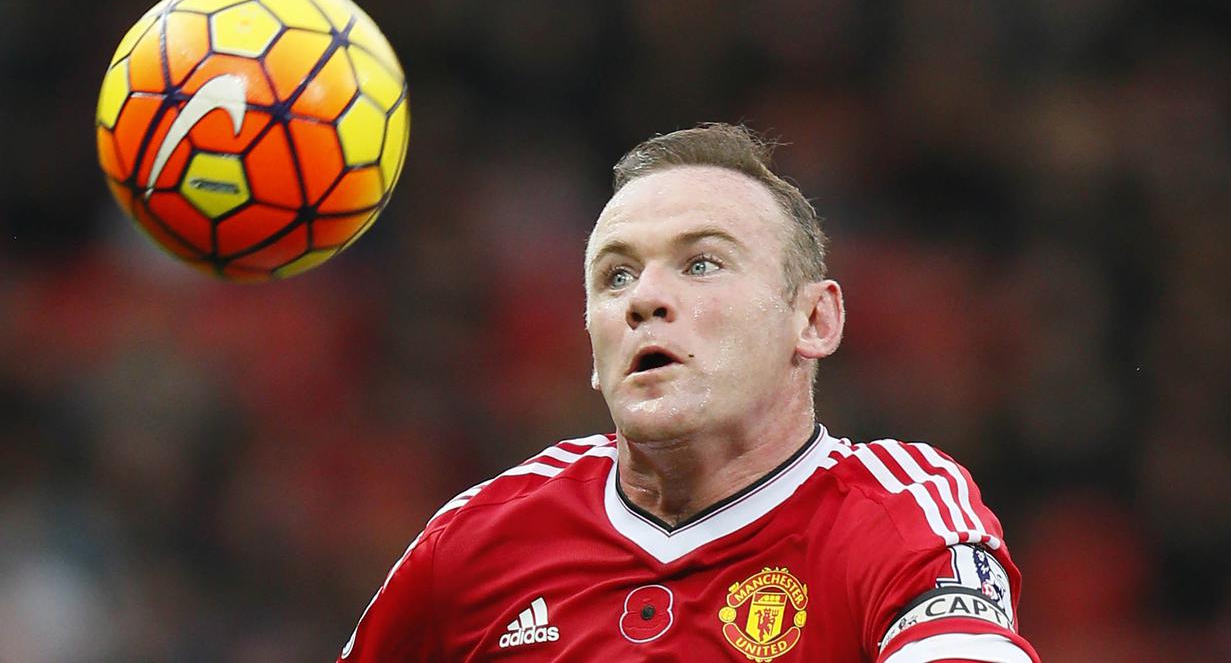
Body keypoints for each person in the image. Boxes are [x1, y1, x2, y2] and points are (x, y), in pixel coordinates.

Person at [338, 123, 1040, 662]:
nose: (643, 298)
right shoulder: (477, 542)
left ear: (814, 318)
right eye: (614, 277)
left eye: (700, 263)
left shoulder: (896, 513)